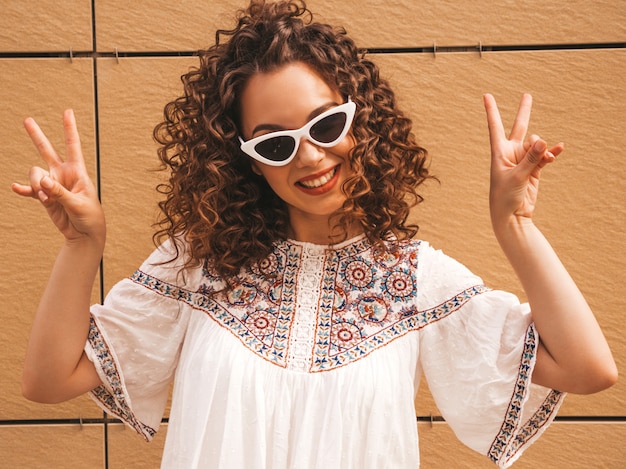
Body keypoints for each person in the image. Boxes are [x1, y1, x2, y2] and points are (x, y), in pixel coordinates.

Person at [12, 1, 617, 468]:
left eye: (325, 124)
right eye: (276, 142)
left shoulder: (414, 279)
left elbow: (589, 368)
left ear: (361, 120)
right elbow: (48, 379)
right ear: (246, 158)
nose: (310, 156)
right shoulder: (197, 267)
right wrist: (79, 246)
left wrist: (515, 228)